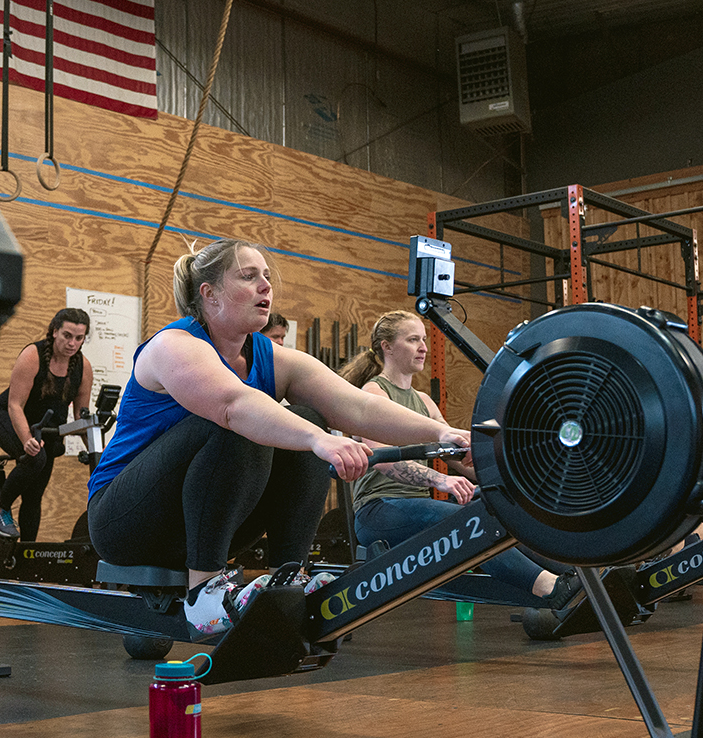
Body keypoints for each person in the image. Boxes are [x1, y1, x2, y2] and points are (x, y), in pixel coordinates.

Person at [87, 239, 467, 635]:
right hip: (125, 523)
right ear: (210, 294)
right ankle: (205, 595)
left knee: (305, 417)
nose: (266, 286)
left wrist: (443, 431)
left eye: (267, 277)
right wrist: (319, 440)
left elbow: (358, 407)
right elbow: (233, 404)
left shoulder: (271, 356)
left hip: (200, 523)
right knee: (245, 422)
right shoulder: (173, 345)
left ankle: (289, 576)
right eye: (249, 277)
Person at [338, 311, 571, 611]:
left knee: (503, 507)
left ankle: (574, 575)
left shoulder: (423, 401)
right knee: (470, 521)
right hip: (379, 511)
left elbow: (461, 456)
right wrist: (441, 480)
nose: (423, 347)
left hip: (415, 508)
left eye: (423, 339)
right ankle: (550, 589)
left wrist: (513, 477)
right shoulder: (373, 392)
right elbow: (382, 461)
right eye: (413, 340)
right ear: (387, 347)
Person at [0, 307, 95, 541]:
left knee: (34, 495)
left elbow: (80, 417)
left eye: (79, 338)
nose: (72, 343)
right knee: (37, 458)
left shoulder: (83, 368)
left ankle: (26, 556)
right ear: (54, 332)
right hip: (8, 418)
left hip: (46, 429)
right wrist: (26, 439)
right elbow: (15, 405)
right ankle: (0, 510)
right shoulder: (32, 355)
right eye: (67, 335)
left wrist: (97, 452)